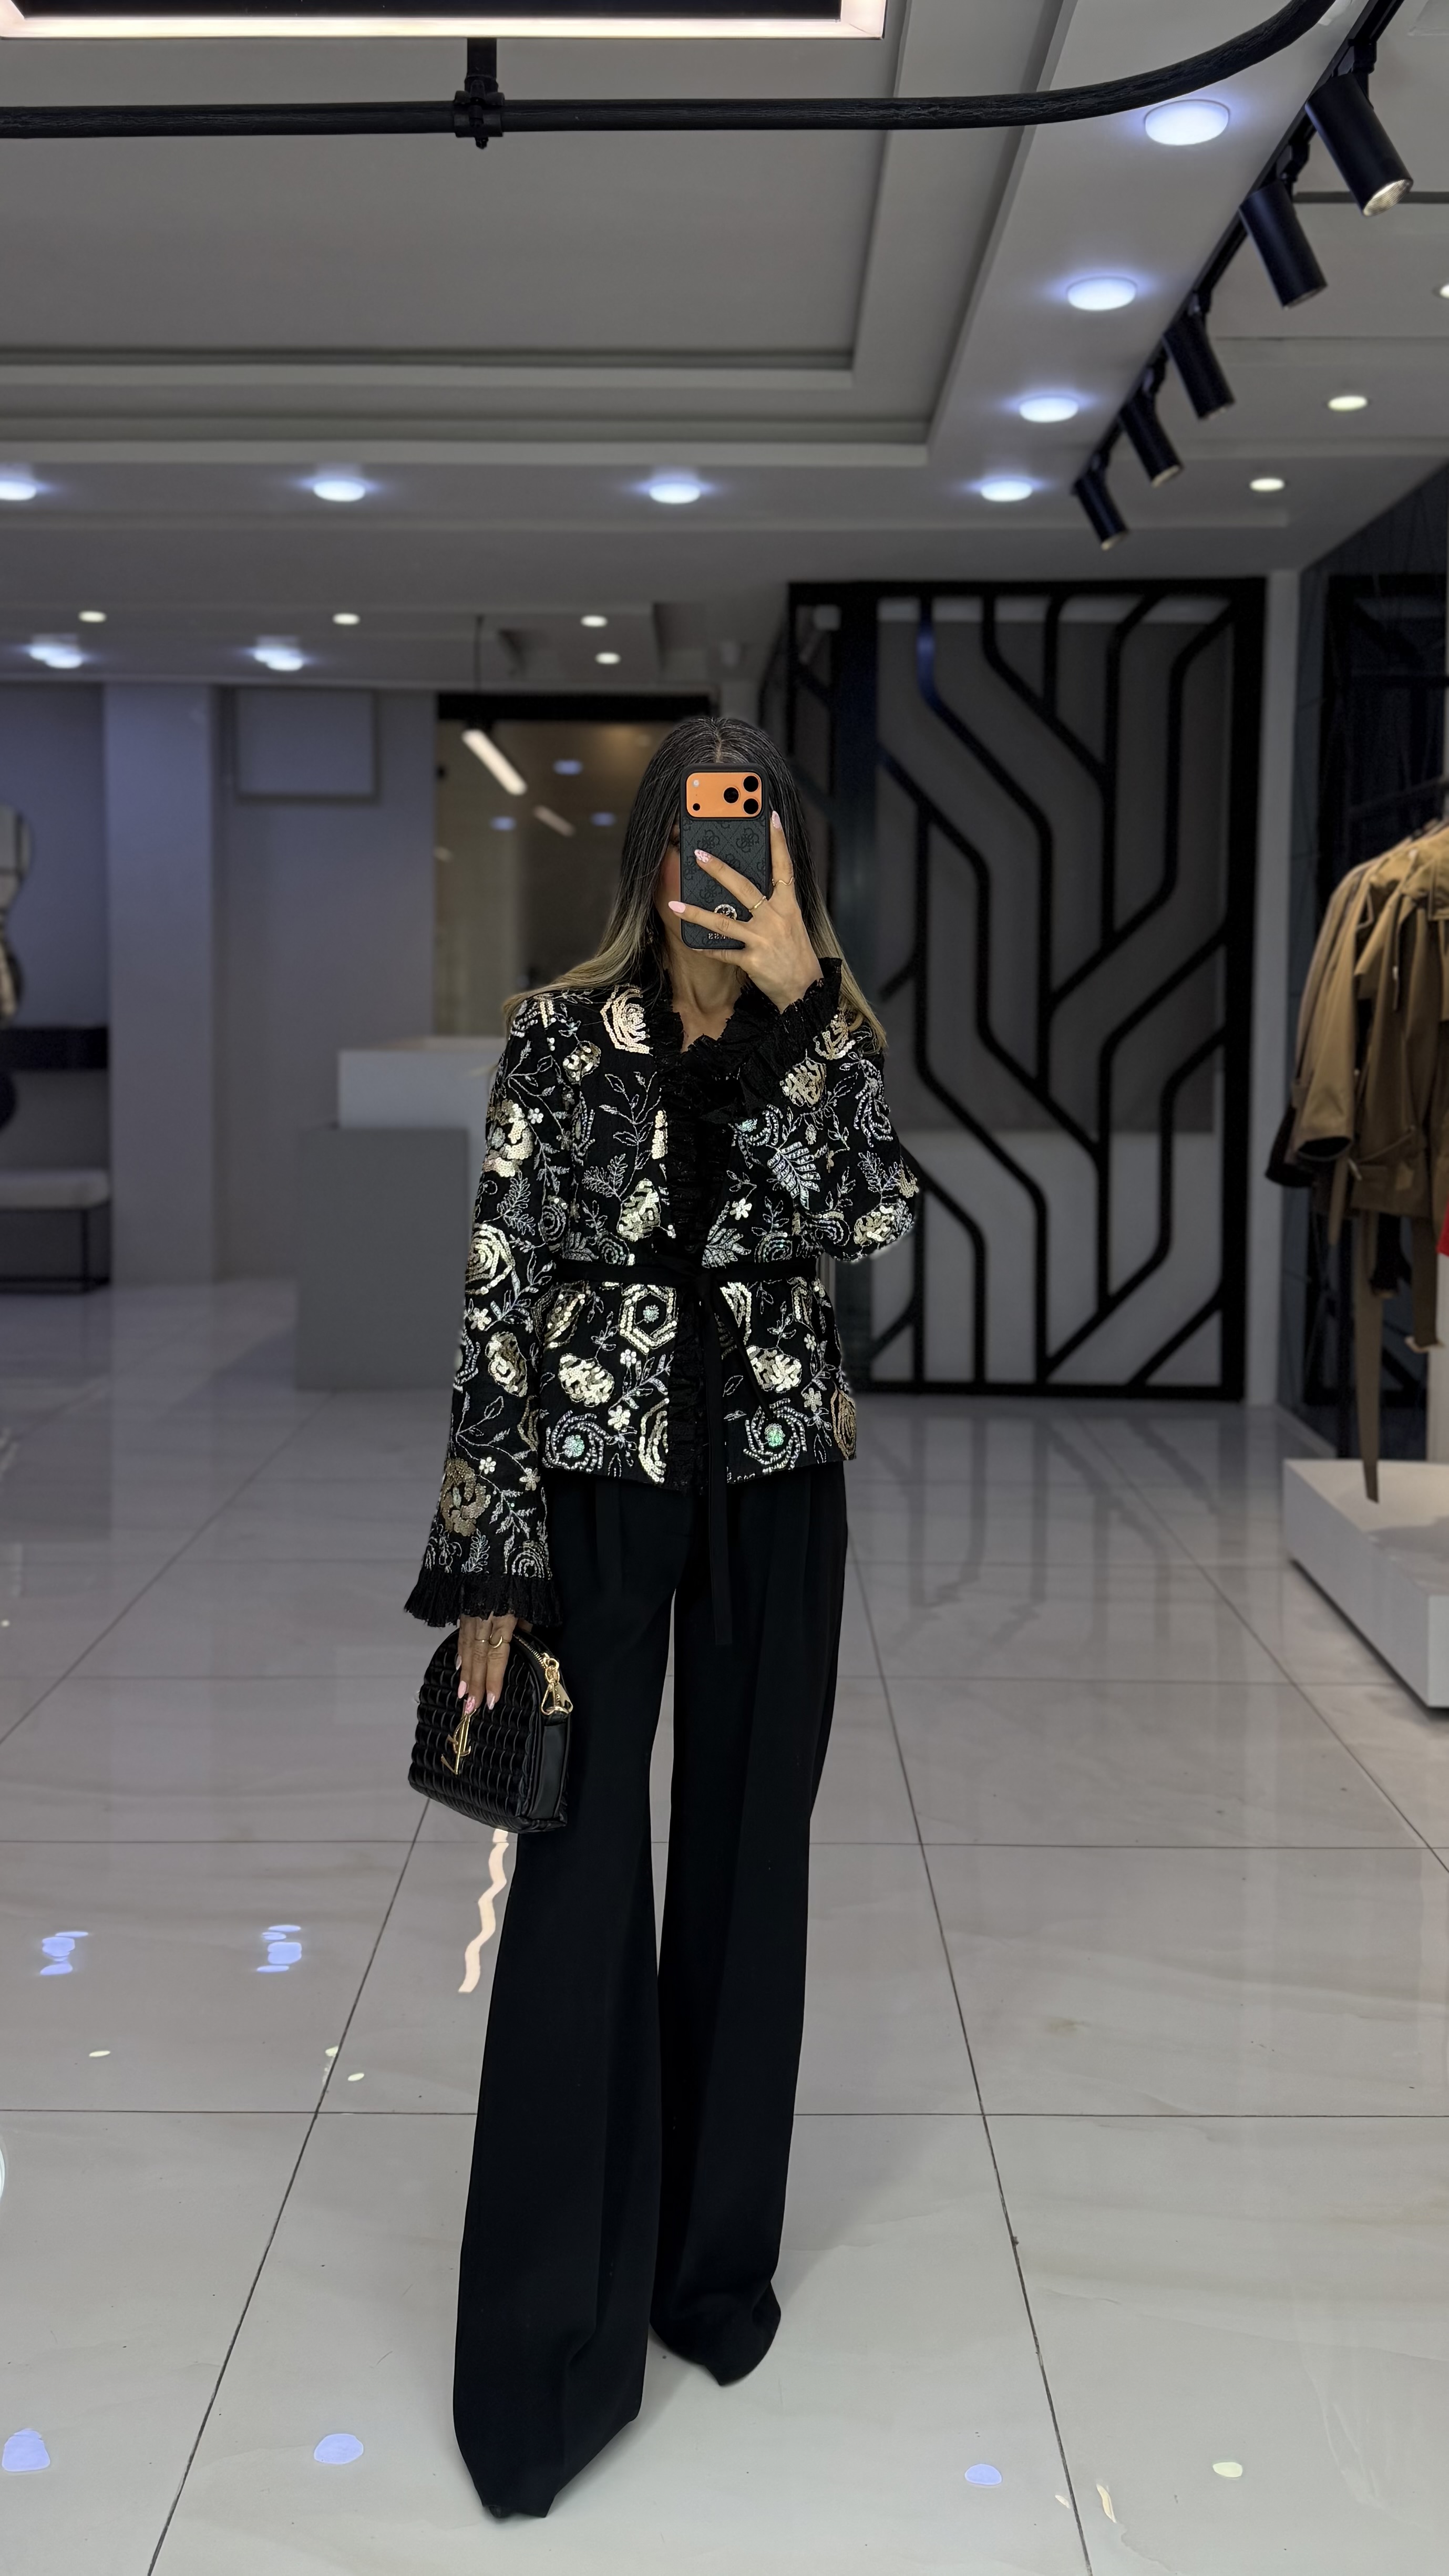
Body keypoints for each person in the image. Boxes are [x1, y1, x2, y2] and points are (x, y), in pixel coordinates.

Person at [407, 713, 919, 2519]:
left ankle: (710, 2269)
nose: (730, 865)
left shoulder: (826, 1031)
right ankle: (552, 2330)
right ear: (655, 854)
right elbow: (499, 1293)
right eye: (705, 835)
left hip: (777, 1478)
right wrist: (491, 1553)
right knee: (577, 1877)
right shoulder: (560, 1037)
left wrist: (801, 1013)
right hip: (593, 1481)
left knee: (748, 1857)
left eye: (758, 836)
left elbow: (869, 1220)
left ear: (791, 858)